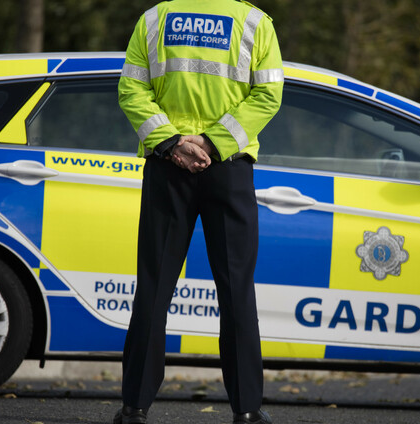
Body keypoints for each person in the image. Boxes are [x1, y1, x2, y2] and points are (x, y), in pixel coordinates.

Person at [116, 0, 283, 423]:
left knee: (154, 288)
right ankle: (246, 412)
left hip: (167, 167)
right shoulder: (254, 22)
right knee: (236, 292)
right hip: (229, 169)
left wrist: (173, 143)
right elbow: (268, 95)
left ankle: (134, 408)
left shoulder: (154, 19)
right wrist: (213, 143)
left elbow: (131, 90)